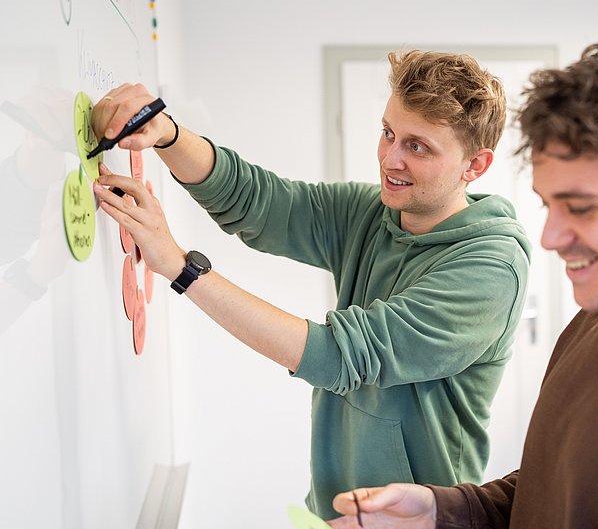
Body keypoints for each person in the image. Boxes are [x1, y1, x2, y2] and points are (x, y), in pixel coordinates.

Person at [328, 40, 598, 528]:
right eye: (548, 205)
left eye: (580, 207)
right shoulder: (596, 320)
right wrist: (445, 511)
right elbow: (555, 490)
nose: (551, 237)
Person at [91, 50, 532, 520]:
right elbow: (260, 202)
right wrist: (168, 134)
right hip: (332, 513)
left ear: (476, 165)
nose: (390, 159)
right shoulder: (373, 213)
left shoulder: (490, 267)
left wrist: (181, 267)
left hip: (411, 523)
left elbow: (342, 356)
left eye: (418, 147)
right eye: (388, 133)